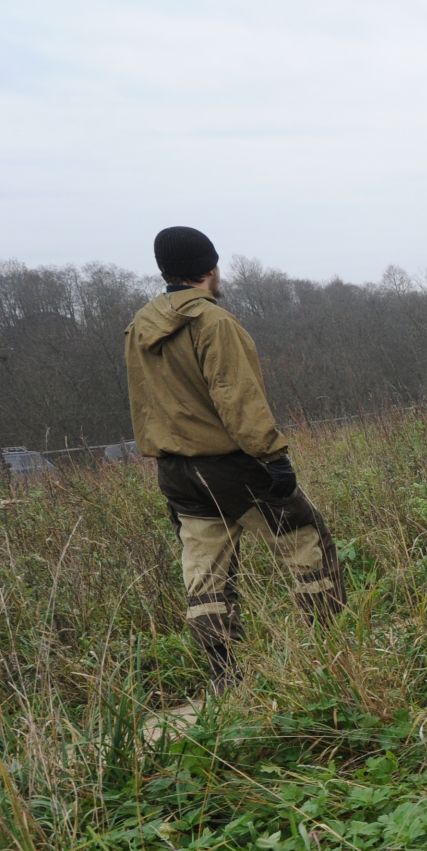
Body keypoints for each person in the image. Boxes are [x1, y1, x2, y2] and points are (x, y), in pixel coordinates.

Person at [124, 226, 346, 693]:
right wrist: (273, 456)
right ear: (209, 268)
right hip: (231, 465)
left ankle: (225, 677)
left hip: (174, 471)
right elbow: (237, 398)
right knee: (307, 542)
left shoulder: (139, 327)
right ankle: (336, 652)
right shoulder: (213, 324)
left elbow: (145, 402)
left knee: (205, 573)